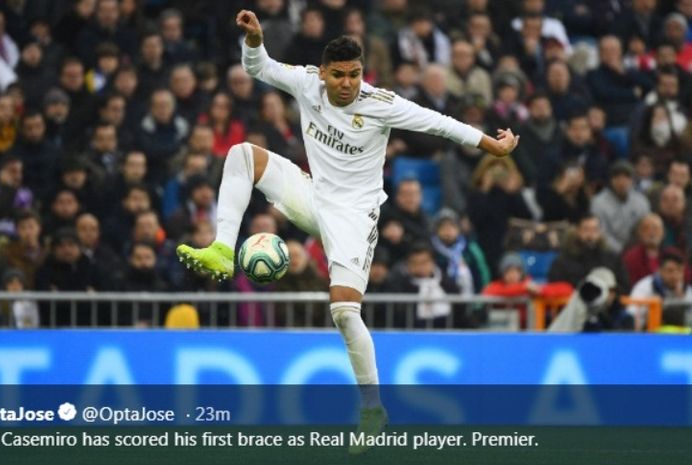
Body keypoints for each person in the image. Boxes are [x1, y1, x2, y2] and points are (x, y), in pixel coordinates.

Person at [176, 10, 520, 451]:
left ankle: (372, 409)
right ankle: (224, 249)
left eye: (354, 75)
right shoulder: (306, 83)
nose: (347, 83)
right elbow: (257, 68)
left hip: (356, 215)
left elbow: (438, 122)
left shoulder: (380, 104)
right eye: (338, 75)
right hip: (314, 194)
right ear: (323, 74)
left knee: (343, 312)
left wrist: (490, 144)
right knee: (242, 154)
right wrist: (256, 40)